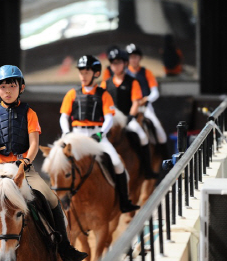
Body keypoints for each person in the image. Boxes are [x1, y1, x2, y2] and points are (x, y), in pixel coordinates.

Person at [0, 65, 88, 261]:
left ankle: (64, 247)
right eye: (3, 87)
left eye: (12, 86)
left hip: (24, 170)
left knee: (51, 199)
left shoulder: (30, 113)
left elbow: (34, 144)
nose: (7, 91)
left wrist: (26, 161)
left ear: (20, 88)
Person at [60, 55, 140, 213]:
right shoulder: (72, 94)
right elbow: (64, 116)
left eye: (87, 72)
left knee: (117, 162)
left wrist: (101, 133)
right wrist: (67, 133)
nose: (83, 76)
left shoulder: (104, 94)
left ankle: (124, 201)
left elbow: (109, 117)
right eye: (81, 72)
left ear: (96, 73)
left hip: (97, 135)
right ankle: (62, 202)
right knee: (60, 162)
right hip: (76, 135)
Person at [100, 48, 158, 179]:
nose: (115, 66)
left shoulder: (133, 82)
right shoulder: (105, 84)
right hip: (111, 119)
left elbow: (135, 102)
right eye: (113, 63)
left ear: (125, 63)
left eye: (118, 62)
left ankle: (147, 169)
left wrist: (130, 117)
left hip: (127, 118)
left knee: (142, 136)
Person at [125, 43, 169, 157]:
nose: (133, 59)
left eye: (135, 56)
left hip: (145, 107)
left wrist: (147, 98)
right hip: (129, 108)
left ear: (139, 57)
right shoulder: (124, 74)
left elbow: (155, 92)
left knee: (158, 128)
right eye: (130, 57)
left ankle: (165, 157)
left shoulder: (146, 72)